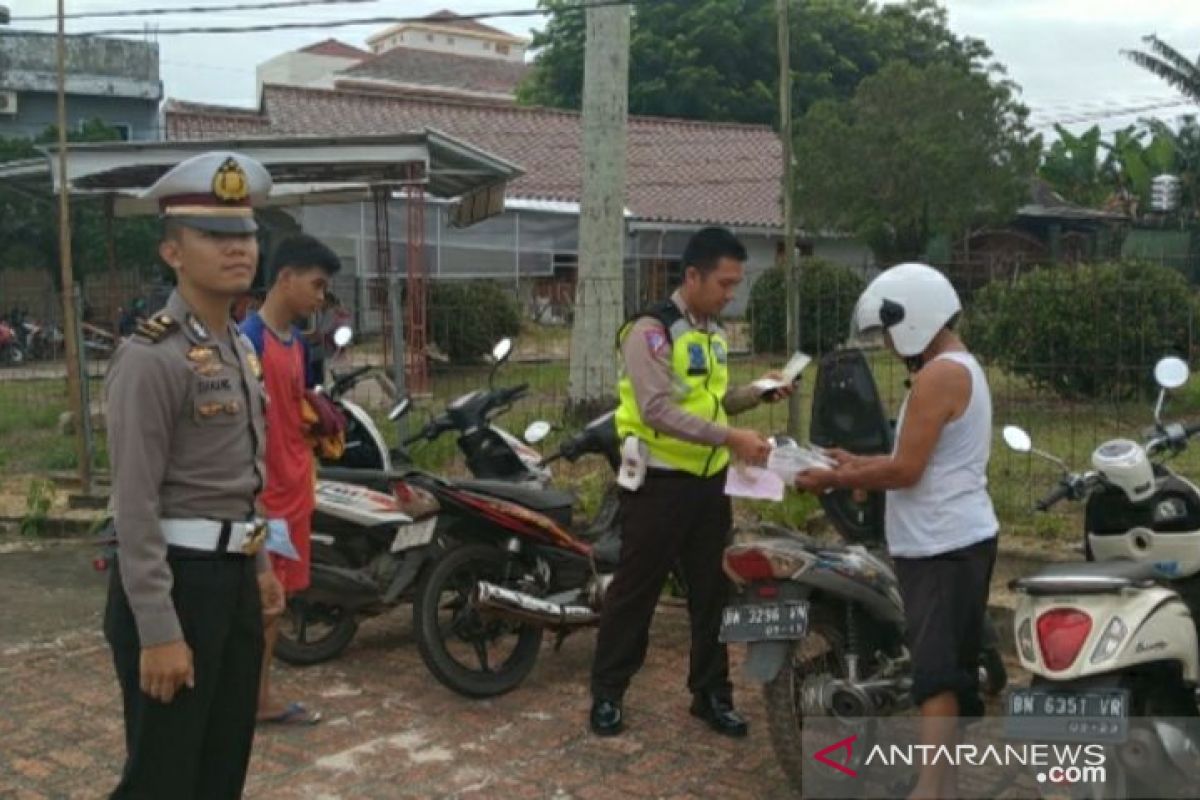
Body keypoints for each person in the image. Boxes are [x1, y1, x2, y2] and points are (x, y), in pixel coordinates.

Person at [102, 151, 286, 799]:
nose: (237, 249)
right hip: (176, 586)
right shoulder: (152, 357)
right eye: (214, 235)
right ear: (172, 253)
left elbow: (240, 478)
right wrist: (158, 631)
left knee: (219, 773)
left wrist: (260, 569)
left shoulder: (236, 345)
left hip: (231, 580)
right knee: (162, 779)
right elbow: (133, 505)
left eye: (245, 234)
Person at [794, 262, 999, 800]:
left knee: (935, 674)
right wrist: (854, 463)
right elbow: (913, 459)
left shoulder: (940, 375)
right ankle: (943, 785)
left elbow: (906, 471)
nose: (886, 343)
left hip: (942, 543)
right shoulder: (957, 367)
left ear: (912, 318)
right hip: (951, 537)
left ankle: (929, 791)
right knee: (950, 666)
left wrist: (837, 476)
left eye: (888, 331)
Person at [589, 226, 792, 738]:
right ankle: (608, 694)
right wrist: (731, 438)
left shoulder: (713, 335)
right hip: (659, 485)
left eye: (735, 285)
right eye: (724, 283)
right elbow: (657, 410)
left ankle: (710, 695)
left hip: (708, 486)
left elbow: (710, 404)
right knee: (637, 592)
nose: (730, 294)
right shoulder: (650, 332)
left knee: (712, 595)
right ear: (693, 275)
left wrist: (756, 395)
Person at [240, 234, 342, 726]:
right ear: (285, 278)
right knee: (262, 606)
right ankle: (254, 701)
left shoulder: (296, 344)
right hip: (265, 499)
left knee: (274, 607)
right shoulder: (247, 341)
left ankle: (257, 696)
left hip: (296, 488)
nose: (321, 298)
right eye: (316, 285)